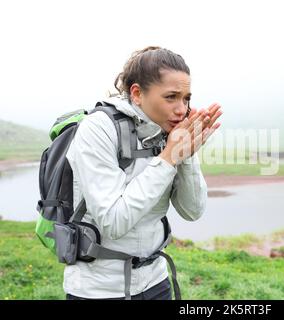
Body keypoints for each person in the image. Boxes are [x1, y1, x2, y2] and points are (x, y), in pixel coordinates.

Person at [63, 46, 222, 300]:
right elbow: (112, 222)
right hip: (99, 289)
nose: (182, 109)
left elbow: (192, 211)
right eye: (171, 97)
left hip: (155, 281)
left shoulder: (167, 131)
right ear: (137, 93)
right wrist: (169, 157)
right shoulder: (98, 130)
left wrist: (186, 154)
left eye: (186, 98)